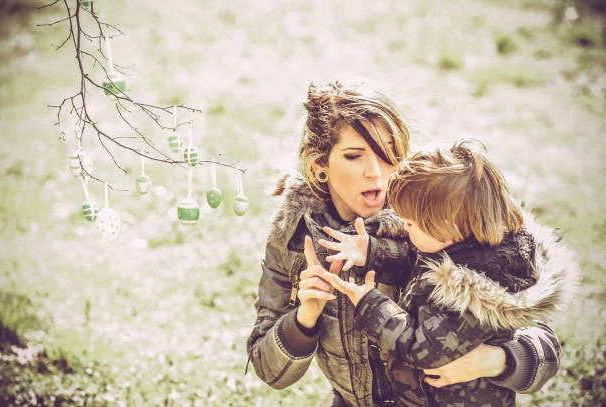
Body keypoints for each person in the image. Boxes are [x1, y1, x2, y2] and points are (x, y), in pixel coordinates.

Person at [246, 79, 563, 407]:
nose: (376, 172)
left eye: (388, 154)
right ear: (320, 165)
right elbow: (269, 371)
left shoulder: (443, 214)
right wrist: (304, 317)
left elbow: (547, 350)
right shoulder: (295, 234)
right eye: (354, 156)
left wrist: (498, 360)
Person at [322, 141, 579, 406]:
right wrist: (373, 252)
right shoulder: (458, 246)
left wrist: (370, 303)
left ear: (447, 226)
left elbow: (420, 347)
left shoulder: (474, 293)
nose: (404, 228)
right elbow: (417, 262)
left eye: (409, 223)